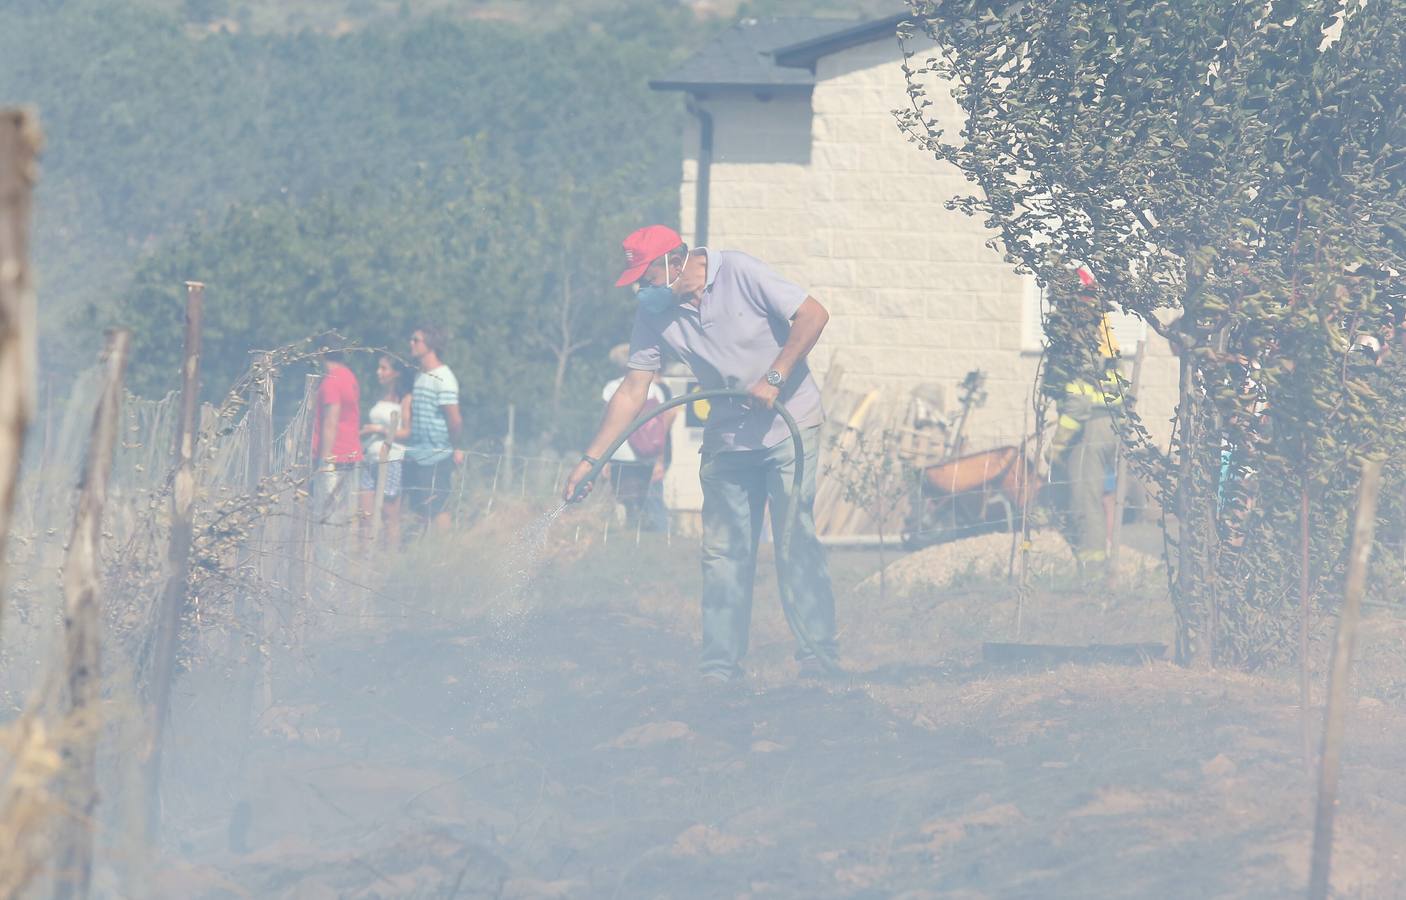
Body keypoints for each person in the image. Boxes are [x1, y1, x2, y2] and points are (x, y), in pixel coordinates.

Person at [564, 225, 838, 682]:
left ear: (674, 261)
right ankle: (720, 667)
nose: (640, 286)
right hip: (728, 438)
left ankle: (817, 654)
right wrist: (592, 459)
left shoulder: (740, 272)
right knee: (724, 552)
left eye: (644, 274)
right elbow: (634, 388)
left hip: (789, 425)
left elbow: (812, 315)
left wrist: (775, 377)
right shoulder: (654, 315)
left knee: (794, 539)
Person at [1043, 267, 1123, 570]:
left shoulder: (1078, 337)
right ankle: (1097, 563)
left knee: (1084, 501)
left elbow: (1077, 403)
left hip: (1091, 427)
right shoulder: (1100, 329)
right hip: (1108, 423)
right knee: (1096, 497)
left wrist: (1059, 445)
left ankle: (1092, 572)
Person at [601, 343, 675, 531]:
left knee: (621, 501)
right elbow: (662, 425)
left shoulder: (612, 388)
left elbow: (607, 425)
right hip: (647, 456)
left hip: (620, 456)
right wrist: (660, 460)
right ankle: (659, 541)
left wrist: (603, 460)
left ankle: (621, 538)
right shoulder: (654, 389)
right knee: (651, 500)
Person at [403, 325, 464, 533]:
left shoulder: (444, 378)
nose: (411, 343)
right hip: (417, 454)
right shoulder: (420, 376)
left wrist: (455, 447)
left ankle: (441, 555)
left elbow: (454, 420)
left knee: (439, 508)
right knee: (420, 509)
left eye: (415, 340)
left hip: (437, 455)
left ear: (431, 344)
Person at [359, 354, 413, 549]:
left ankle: (390, 558)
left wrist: (380, 430)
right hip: (370, 457)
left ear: (396, 373)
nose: (378, 372)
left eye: (384, 368)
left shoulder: (405, 399)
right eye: (378, 368)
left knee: (390, 513)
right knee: (365, 513)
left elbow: (407, 431)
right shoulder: (379, 395)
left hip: (391, 459)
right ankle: (366, 558)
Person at [312, 343, 363, 516]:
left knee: (327, 514)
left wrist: (324, 460)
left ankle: (328, 544)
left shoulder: (331, 381)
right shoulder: (349, 376)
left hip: (333, 458)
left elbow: (330, 421)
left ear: (321, 352)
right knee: (343, 512)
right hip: (350, 454)